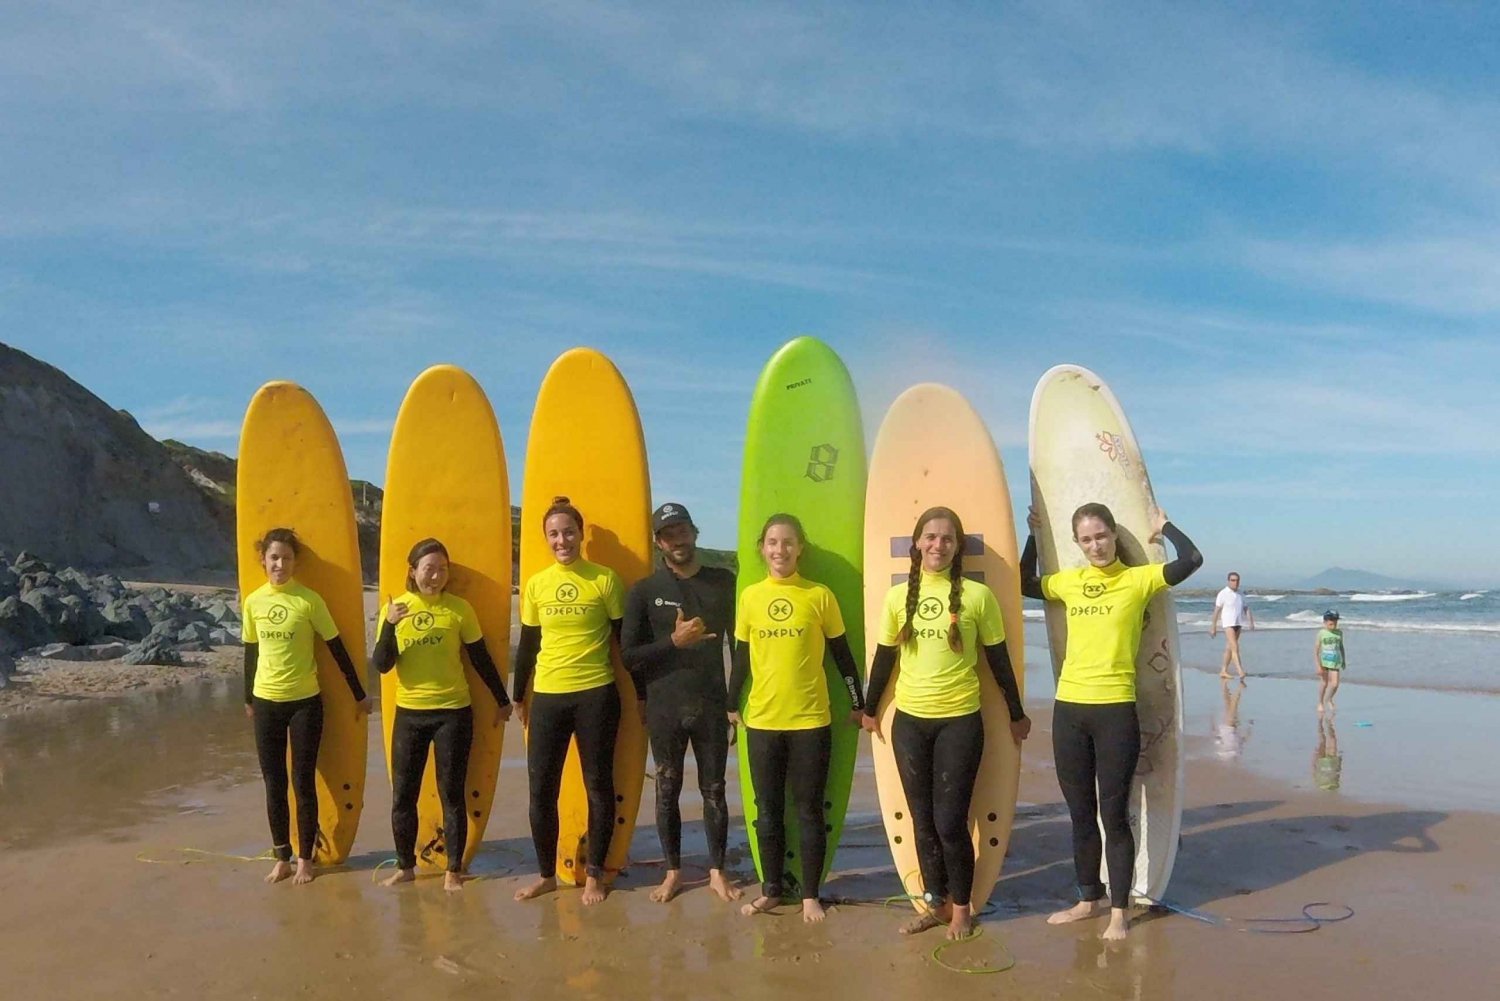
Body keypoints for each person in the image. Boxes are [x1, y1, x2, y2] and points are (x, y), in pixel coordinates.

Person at [1021, 503, 1202, 941]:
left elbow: (1191, 561)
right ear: (1077, 544)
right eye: (1086, 539)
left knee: (1113, 814)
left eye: (1101, 536)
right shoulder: (1070, 583)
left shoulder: (1138, 579)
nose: (1095, 545)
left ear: (1113, 536)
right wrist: (1032, 535)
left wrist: (1164, 526)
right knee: (1080, 813)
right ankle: (1088, 899)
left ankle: (1119, 912)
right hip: (1069, 710)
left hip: (1115, 711)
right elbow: (1025, 583)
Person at [861, 507, 1030, 941]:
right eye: (931, 537)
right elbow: (884, 658)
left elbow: (998, 661)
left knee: (950, 822)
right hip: (910, 722)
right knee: (922, 820)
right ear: (917, 542)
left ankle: (961, 910)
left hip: (960, 721)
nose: (938, 545)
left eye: (947, 539)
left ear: (958, 547)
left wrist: (1015, 712)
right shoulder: (899, 598)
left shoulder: (977, 596)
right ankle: (934, 903)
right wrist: (869, 707)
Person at [729, 513, 865, 923]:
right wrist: (730, 705)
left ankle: (809, 895)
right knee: (766, 809)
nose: (780, 550)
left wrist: (859, 702)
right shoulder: (750, 597)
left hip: (810, 721)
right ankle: (771, 890)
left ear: (800, 547)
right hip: (764, 721)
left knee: (809, 810)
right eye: (772, 542)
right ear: (762, 548)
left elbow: (843, 655)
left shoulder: (818, 595)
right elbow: (740, 659)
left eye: (788, 542)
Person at [371, 538, 512, 891]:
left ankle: (453, 870)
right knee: (404, 795)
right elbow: (382, 665)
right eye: (428, 569)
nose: (435, 576)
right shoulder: (396, 609)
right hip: (410, 714)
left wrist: (502, 698)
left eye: (441, 569)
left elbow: (480, 657)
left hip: (453, 713)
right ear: (413, 571)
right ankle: (405, 867)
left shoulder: (459, 609)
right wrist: (388, 624)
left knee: (451, 793)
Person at [621, 502, 740, 904]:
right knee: (667, 787)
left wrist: (735, 701)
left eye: (683, 530)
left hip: (710, 704)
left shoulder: (724, 583)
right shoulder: (644, 591)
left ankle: (717, 872)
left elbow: (740, 647)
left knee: (715, 789)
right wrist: (673, 643)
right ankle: (673, 871)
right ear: (659, 542)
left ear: (695, 532)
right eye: (669, 534)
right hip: (665, 706)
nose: (678, 540)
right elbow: (628, 656)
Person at [512, 497, 626, 906]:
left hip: (596, 693)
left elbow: (623, 641)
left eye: (569, 532)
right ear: (546, 539)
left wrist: (647, 693)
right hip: (547, 696)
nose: (562, 540)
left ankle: (594, 875)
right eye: (554, 534)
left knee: (599, 786)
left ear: (581, 534)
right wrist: (518, 696)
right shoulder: (537, 584)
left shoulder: (604, 579)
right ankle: (546, 874)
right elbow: (527, 644)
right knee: (541, 790)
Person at [241, 527, 371, 885]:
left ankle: (305, 860)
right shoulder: (253, 602)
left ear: (295, 562)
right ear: (263, 561)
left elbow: (336, 647)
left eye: (286, 557)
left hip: (305, 703)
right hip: (267, 702)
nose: (279, 564)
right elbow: (250, 653)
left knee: (303, 782)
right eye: (273, 557)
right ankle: (281, 857)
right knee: (273, 783)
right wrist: (248, 699)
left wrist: (359, 693)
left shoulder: (309, 601)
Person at [1210, 571, 1254, 680]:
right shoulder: (1223, 593)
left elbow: (1246, 608)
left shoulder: (1240, 593)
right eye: (1233, 580)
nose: (1235, 583)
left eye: (1237, 580)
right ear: (1229, 581)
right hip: (1228, 623)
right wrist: (1213, 626)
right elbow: (1216, 611)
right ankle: (1240, 670)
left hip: (1238, 623)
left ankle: (1223, 670)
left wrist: (1251, 622)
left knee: (1229, 648)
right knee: (1235, 647)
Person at [1316, 610, 1346, 713]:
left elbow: (1341, 647)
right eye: (1331, 622)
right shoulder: (1322, 633)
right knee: (1324, 683)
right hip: (1324, 662)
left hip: (1335, 661)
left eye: (1336, 622)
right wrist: (1318, 665)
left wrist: (1343, 660)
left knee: (1335, 684)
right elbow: (1316, 650)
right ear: (1325, 622)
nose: (1334, 624)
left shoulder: (1339, 633)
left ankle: (1329, 699)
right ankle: (1320, 702)